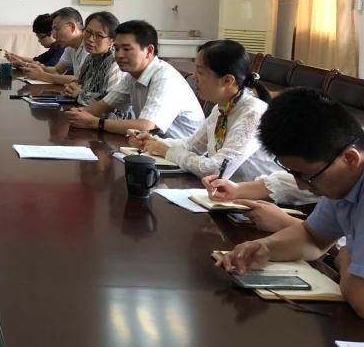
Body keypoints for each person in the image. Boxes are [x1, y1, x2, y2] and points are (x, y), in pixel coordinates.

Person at [219, 89, 364, 317]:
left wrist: (345, 259)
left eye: (308, 176)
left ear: (350, 158)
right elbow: (313, 238)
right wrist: (266, 246)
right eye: (294, 174)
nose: (301, 186)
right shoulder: (343, 183)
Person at [128, 39, 281, 185]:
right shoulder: (222, 107)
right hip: (227, 192)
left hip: (261, 198)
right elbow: (191, 146)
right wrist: (153, 141)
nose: (194, 77)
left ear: (227, 80)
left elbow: (217, 170)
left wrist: (168, 151)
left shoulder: (253, 113)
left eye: (200, 72)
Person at [63, 19, 204, 138]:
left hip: (182, 155)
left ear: (149, 51)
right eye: (117, 49)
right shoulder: (132, 74)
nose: (119, 55)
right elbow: (104, 105)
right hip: (155, 148)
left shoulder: (165, 78)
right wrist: (79, 114)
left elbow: (145, 126)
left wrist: (94, 122)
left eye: (126, 49)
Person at [9, 7, 84, 85]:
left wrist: (41, 76)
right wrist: (36, 67)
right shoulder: (70, 47)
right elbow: (57, 71)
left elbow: (79, 80)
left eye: (56, 29)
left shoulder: (88, 46)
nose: (54, 35)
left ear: (72, 27)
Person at [62, 11, 120, 106]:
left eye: (99, 35)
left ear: (112, 41)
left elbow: (112, 102)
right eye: (88, 32)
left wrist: (80, 94)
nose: (90, 39)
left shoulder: (116, 63)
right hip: (86, 111)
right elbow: (79, 85)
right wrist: (71, 88)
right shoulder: (90, 58)